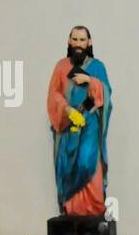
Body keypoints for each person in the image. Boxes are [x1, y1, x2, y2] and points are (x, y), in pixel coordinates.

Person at [46, 26, 112, 218]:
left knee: (87, 163)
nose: (78, 44)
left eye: (82, 40)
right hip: (69, 127)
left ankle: (93, 211)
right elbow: (53, 95)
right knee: (69, 168)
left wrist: (90, 81)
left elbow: (107, 95)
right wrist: (67, 110)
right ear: (69, 41)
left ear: (89, 42)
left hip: (90, 124)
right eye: (74, 39)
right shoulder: (61, 66)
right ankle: (72, 211)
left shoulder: (97, 67)